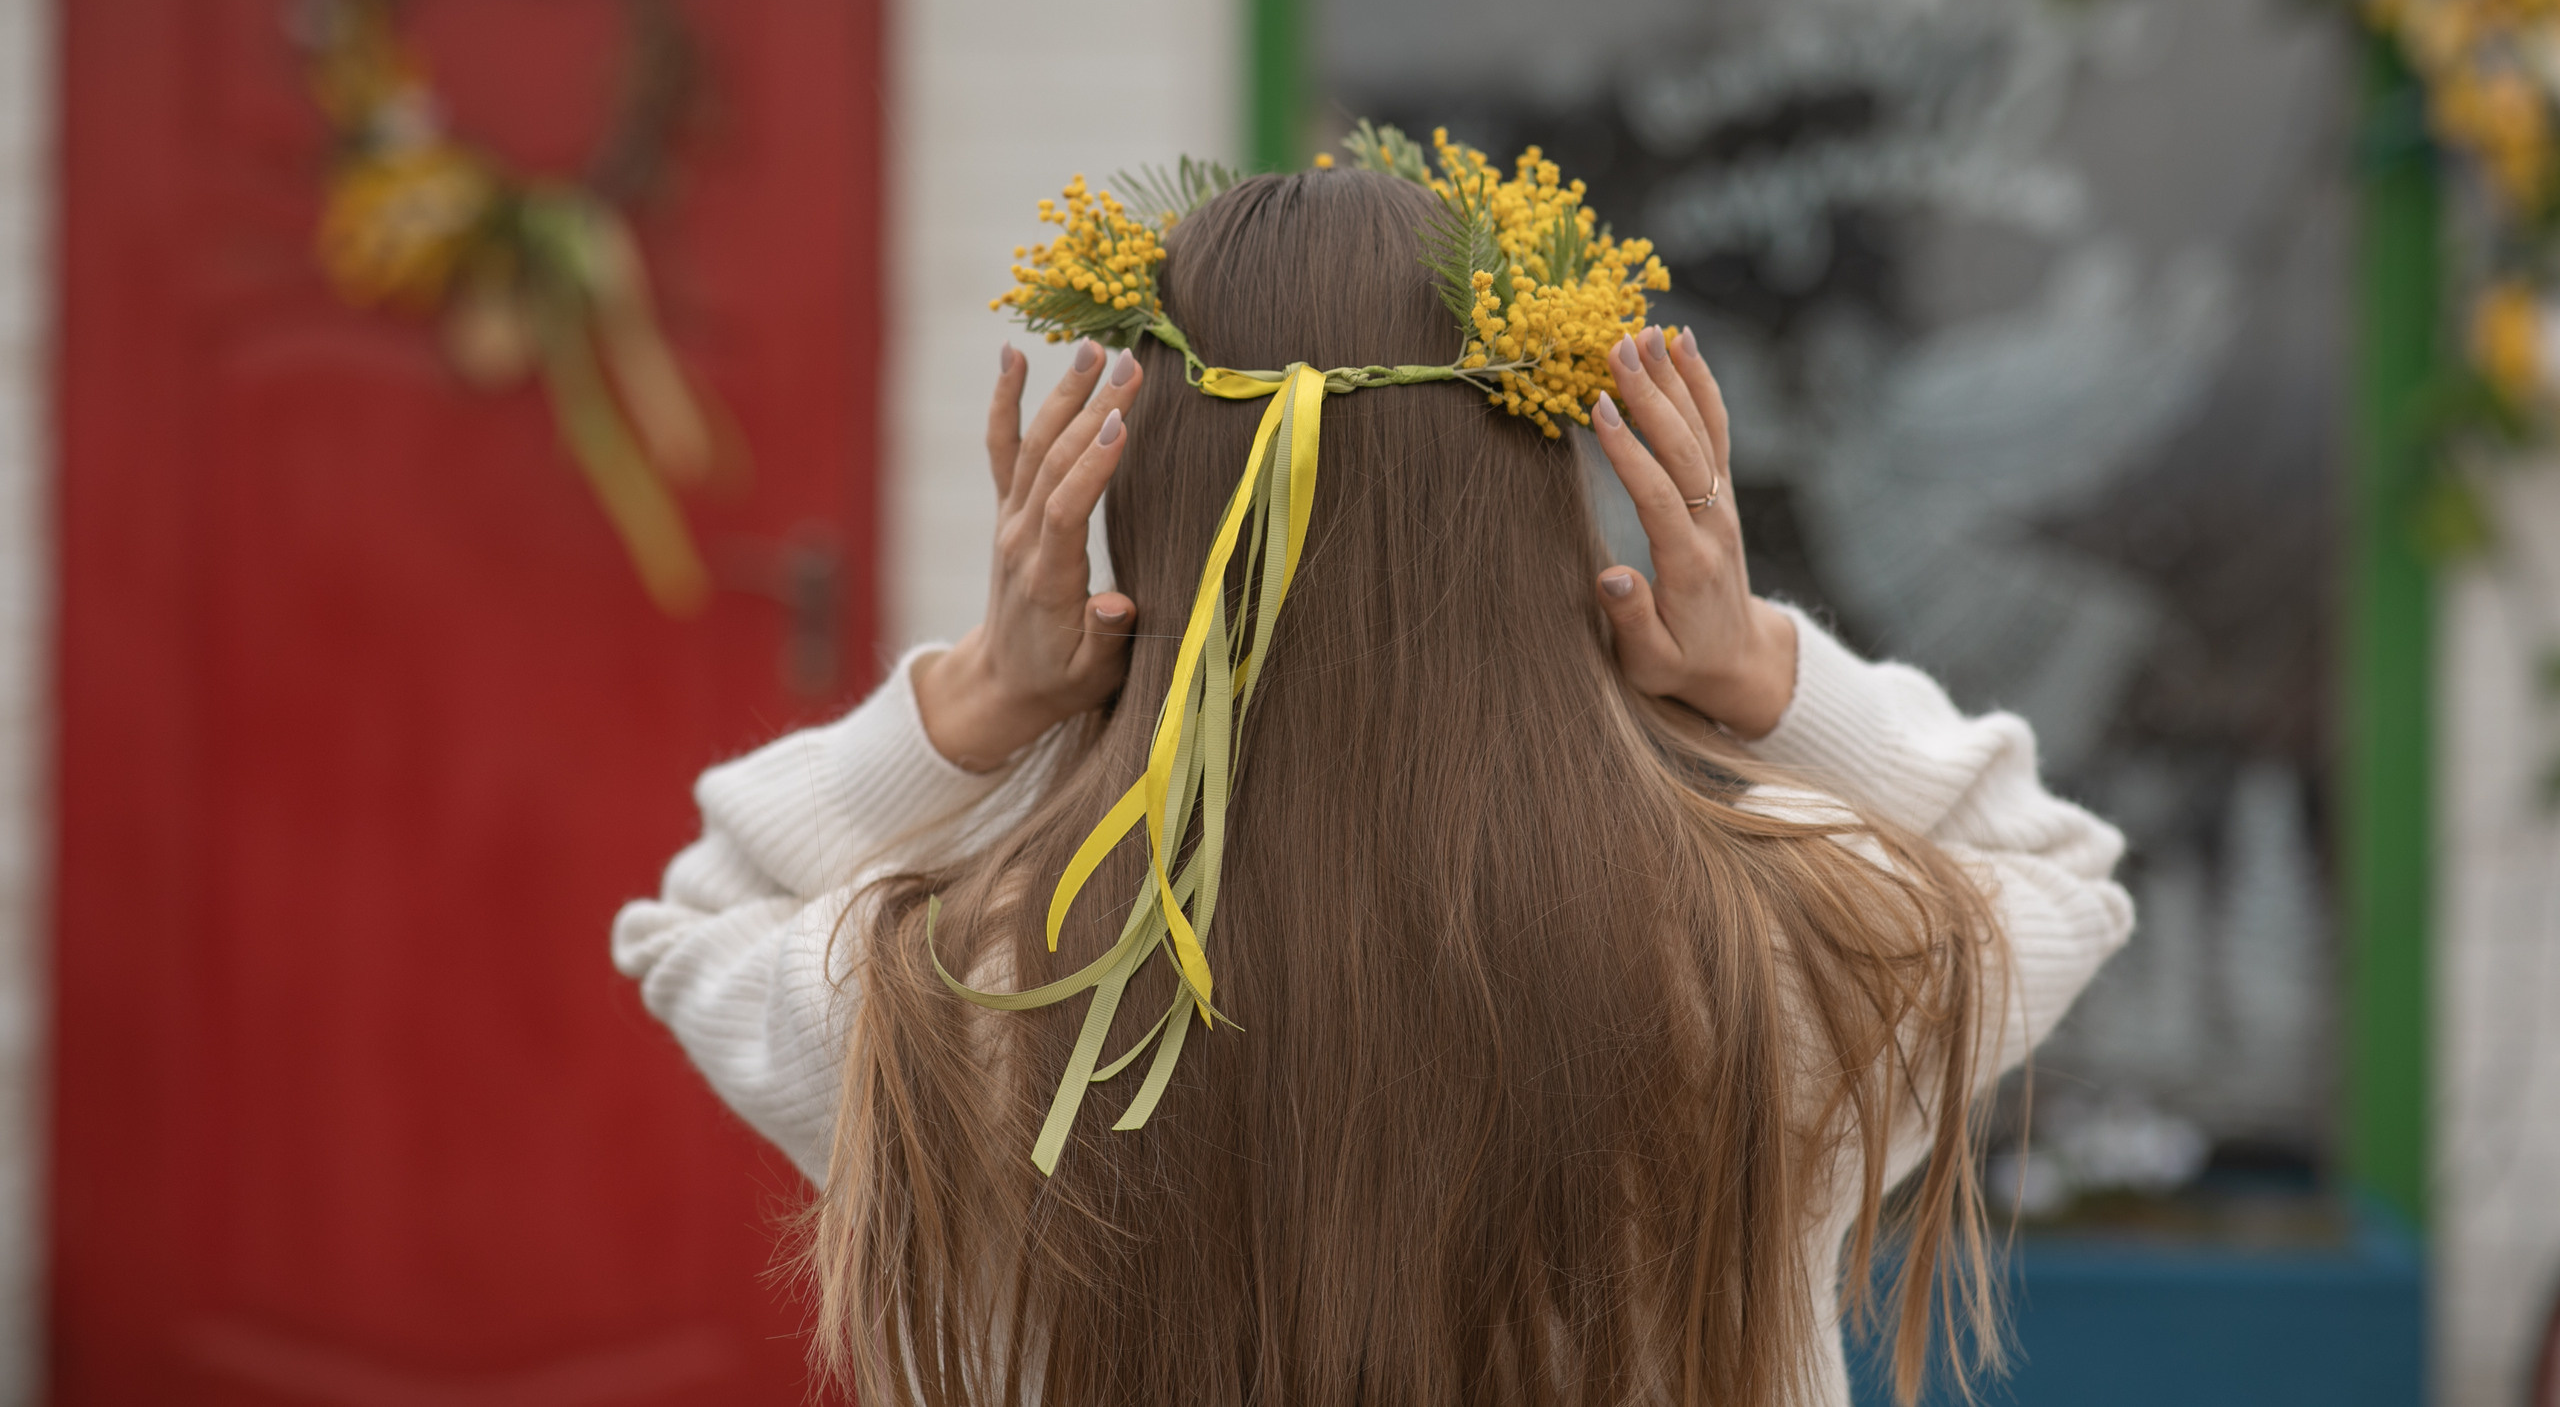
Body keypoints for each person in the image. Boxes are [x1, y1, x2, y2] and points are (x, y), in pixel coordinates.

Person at [612, 147, 2133, 1407]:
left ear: (1138, 519)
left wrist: (980, 700)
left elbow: (707, 908)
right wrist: (1757, 672)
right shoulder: (1781, 956)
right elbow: (2054, 867)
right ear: (1552, 516)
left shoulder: (966, 999)